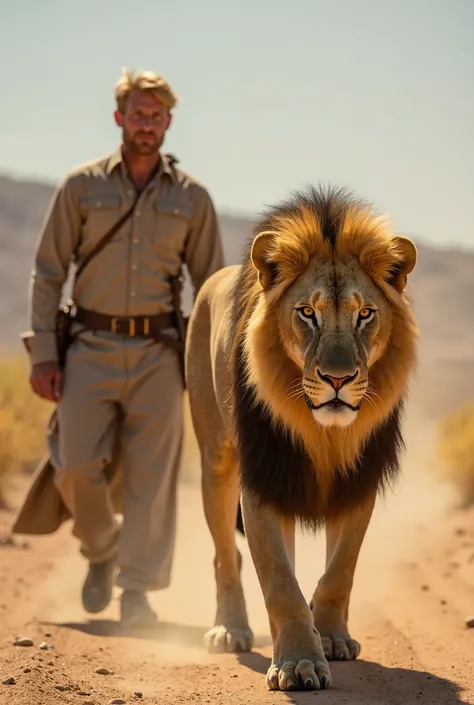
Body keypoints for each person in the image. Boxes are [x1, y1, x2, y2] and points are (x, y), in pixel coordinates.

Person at [23, 68, 225, 629]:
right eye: (138, 113)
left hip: (161, 354)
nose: (147, 124)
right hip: (88, 347)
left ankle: (137, 589)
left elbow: (212, 289)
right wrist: (44, 354)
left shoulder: (194, 198)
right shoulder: (80, 187)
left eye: (157, 115)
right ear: (119, 117)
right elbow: (47, 272)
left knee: (151, 478)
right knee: (76, 464)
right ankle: (101, 550)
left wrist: (209, 372)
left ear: (168, 122)